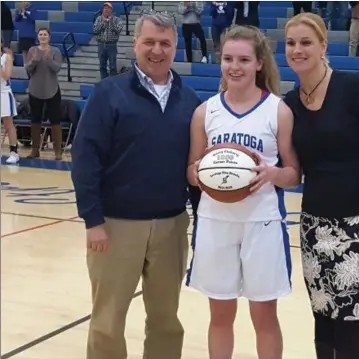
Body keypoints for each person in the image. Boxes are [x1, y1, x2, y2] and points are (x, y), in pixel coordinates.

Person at [71, 11, 201, 359]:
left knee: (165, 320)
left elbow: (196, 169)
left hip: (172, 225)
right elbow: (85, 159)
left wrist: (201, 221)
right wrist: (93, 220)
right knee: (108, 320)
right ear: (135, 44)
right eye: (149, 42)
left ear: (175, 47)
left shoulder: (191, 102)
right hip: (115, 226)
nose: (157, 50)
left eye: (165, 43)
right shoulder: (108, 93)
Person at [283, 13, 359, 359]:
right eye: (291, 43)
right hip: (313, 225)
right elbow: (291, 167)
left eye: (306, 42)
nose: (297, 49)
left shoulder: (355, 88)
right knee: (321, 311)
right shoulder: (290, 103)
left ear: (323, 46)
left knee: (349, 315)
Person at [186, 25, 301, 359]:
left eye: (243, 60)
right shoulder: (205, 112)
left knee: (264, 317)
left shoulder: (277, 110)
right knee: (220, 317)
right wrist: (205, 172)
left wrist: (271, 173)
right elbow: (191, 172)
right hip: (214, 221)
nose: (234, 67)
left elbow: (293, 173)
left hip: (261, 222)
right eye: (228, 59)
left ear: (259, 64)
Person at [25, 28, 63, 160]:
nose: (43, 36)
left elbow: (57, 68)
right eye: (40, 34)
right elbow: (28, 69)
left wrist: (47, 57)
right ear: (37, 37)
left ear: (49, 37)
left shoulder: (55, 51)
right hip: (35, 90)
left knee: (55, 120)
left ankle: (58, 150)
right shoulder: (32, 50)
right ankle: (35, 149)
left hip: (52, 90)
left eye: (45, 34)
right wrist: (34, 60)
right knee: (35, 120)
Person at [1, 43, 19, 164]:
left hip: (3, 93)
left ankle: (14, 152)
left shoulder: (6, 57)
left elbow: (7, 76)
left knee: (8, 123)